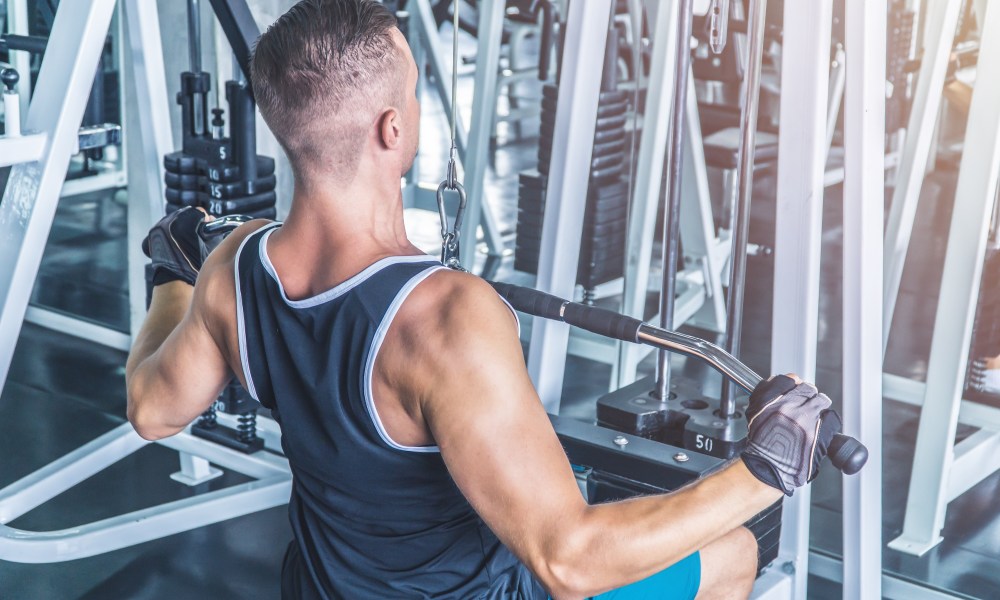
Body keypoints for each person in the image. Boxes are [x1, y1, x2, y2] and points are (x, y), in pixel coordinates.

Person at [126, 1, 841, 598]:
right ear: (393, 128)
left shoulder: (231, 267)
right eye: (409, 90)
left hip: (322, 586)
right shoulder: (444, 319)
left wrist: (169, 277)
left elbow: (153, 410)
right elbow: (566, 560)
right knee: (736, 552)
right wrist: (764, 470)